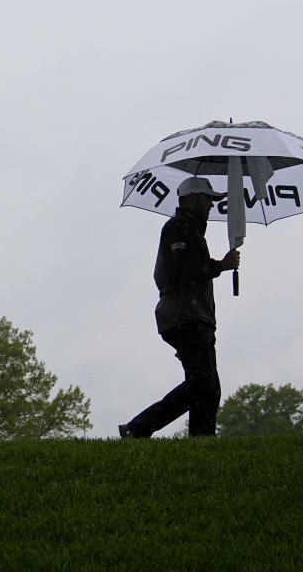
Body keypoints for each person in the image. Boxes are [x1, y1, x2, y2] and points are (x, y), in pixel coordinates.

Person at [120, 176, 240, 438]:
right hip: (185, 317)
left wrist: (217, 265)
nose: (211, 204)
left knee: (208, 387)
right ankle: (138, 428)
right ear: (192, 197)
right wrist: (220, 265)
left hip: (191, 317)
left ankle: (200, 443)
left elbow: (187, 268)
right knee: (203, 384)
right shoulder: (178, 227)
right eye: (207, 198)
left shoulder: (190, 229)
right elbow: (184, 270)